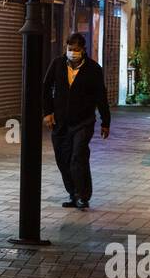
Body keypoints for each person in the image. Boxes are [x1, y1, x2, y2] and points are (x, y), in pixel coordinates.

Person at [43, 33, 111, 210]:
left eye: (76, 50)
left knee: (78, 157)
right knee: (63, 159)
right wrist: (48, 113)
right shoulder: (57, 64)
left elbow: (101, 96)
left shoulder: (93, 69)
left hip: (83, 121)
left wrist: (106, 121)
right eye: (70, 49)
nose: (72, 52)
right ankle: (73, 193)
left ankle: (83, 195)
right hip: (60, 122)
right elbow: (45, 88)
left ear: (83, 50)